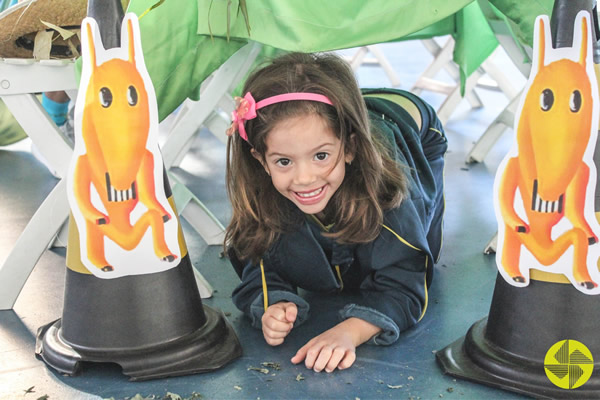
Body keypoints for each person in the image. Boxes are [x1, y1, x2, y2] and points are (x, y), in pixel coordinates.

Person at [224, 52, 447, 373]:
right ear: (261, 160)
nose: (304, 177)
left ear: (350, 148)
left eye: (321, 156)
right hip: (337, 117)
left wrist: (349, 332)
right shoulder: (263, 186)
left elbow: (406, 284)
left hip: (409, 125)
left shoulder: (387, 184)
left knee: (418, 243)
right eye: (284, 161)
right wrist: (273, 304)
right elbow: (258, 260)